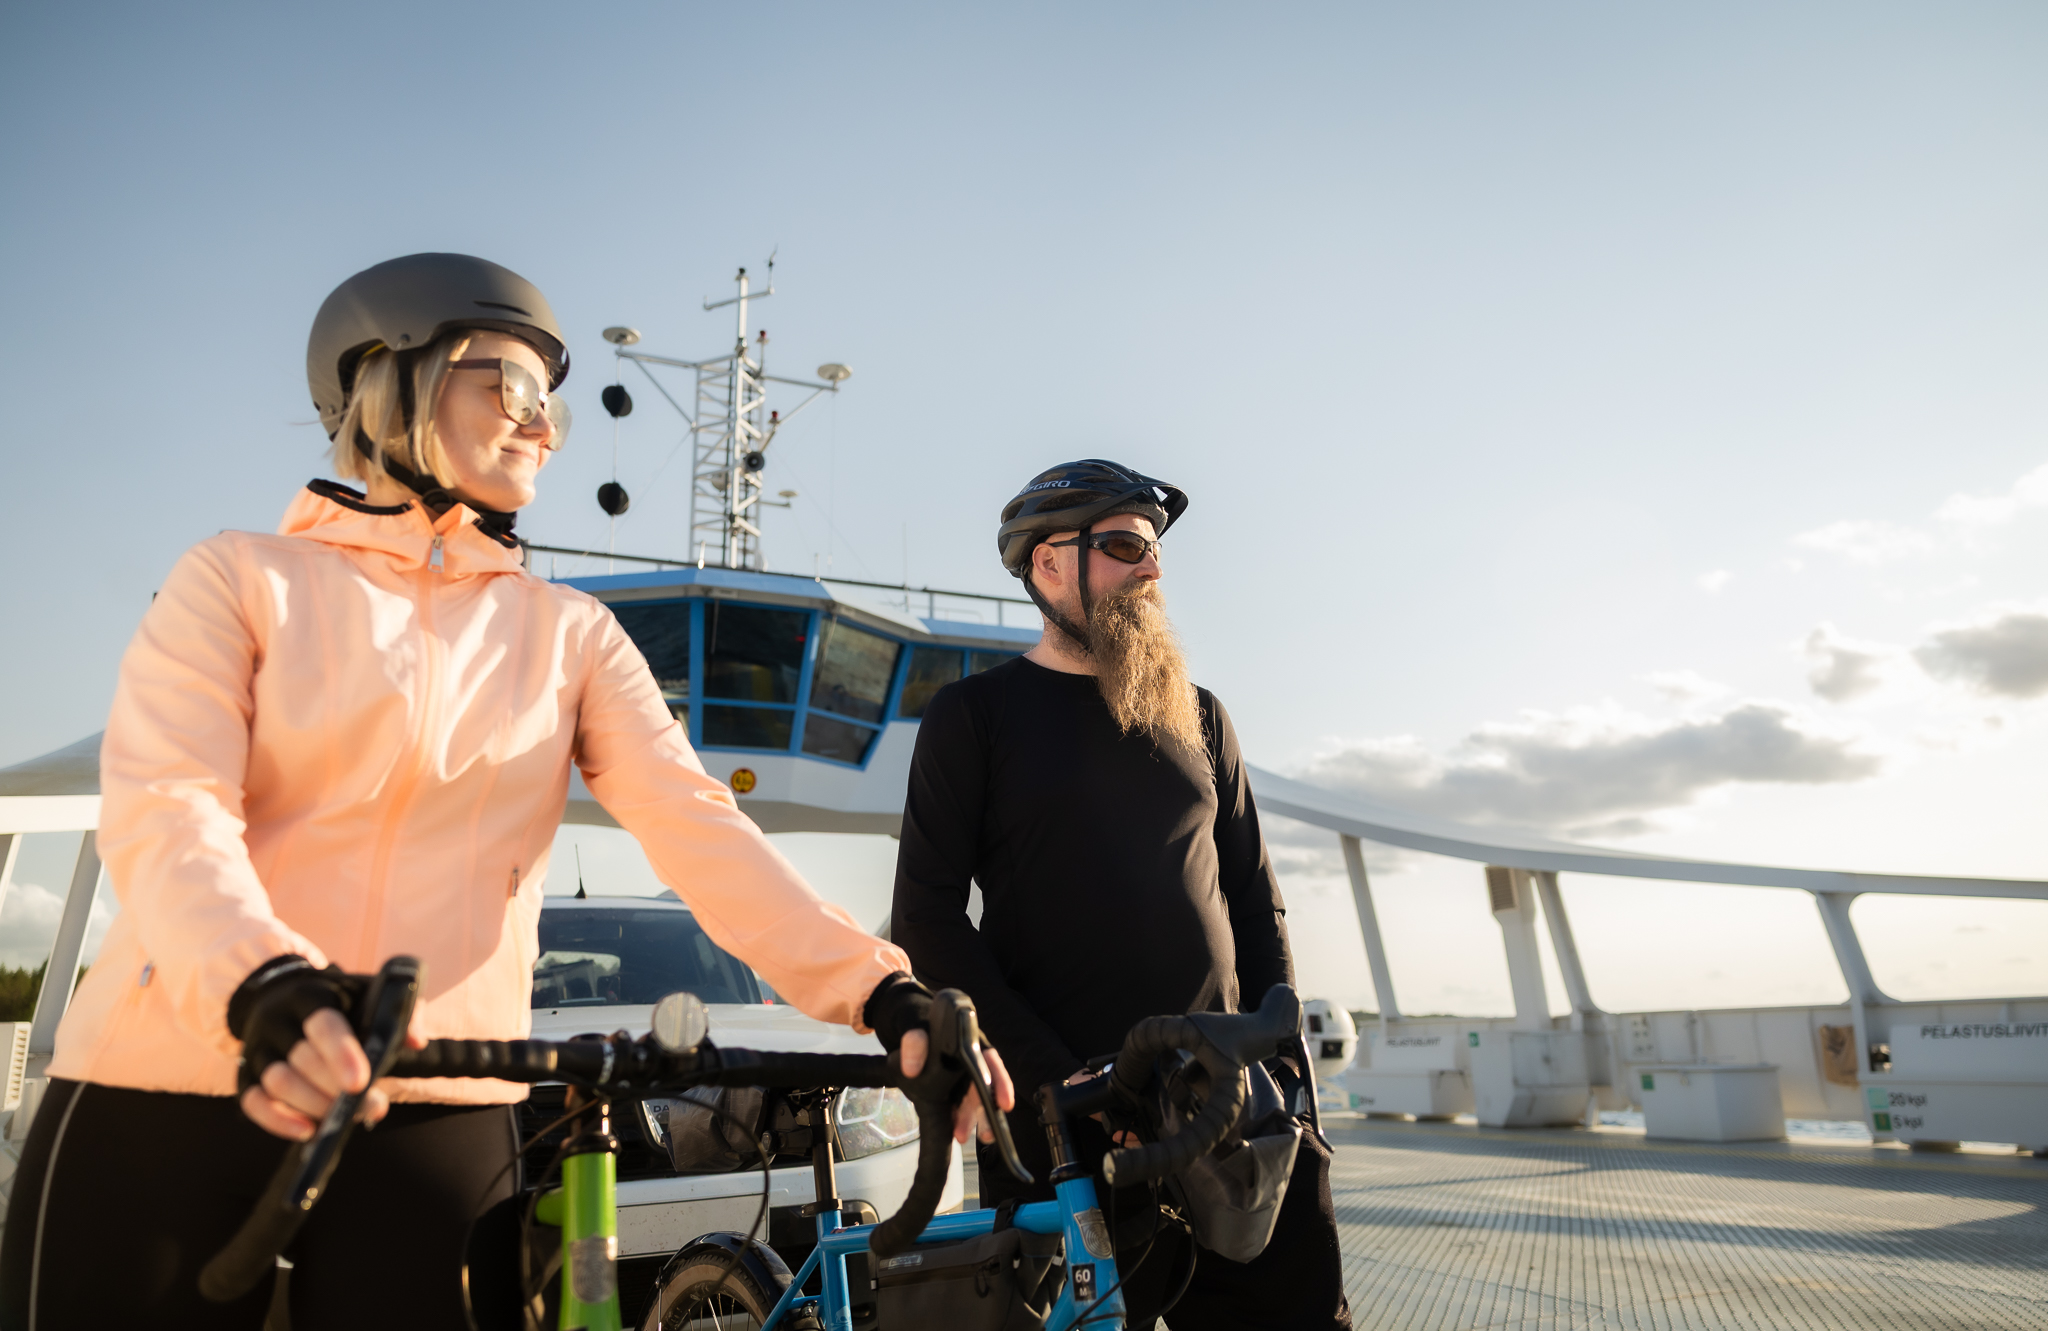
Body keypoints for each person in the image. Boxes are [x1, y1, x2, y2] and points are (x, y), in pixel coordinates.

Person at [0, 253, 1012, 1331]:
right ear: (391, 379)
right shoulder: (240, 579)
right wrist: (264, 982)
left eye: (553, 407)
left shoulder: (569, 634)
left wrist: (884, 991)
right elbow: (169, 803)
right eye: (514, 386)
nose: (543, 427)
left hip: (438, 1099)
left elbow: (696, 825)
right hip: (174, 1080)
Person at [892, 460, 1351, 1330]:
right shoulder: (974, 717)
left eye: (1154, 550)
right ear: (1047, 564)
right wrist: (1055, 1080)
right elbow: (928, 916)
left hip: (1229, 1107)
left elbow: (1254, 898)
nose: (1152, 567)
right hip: (1067, 1127)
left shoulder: (1202, 715)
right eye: (1123, 546)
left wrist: (1279, 1057)